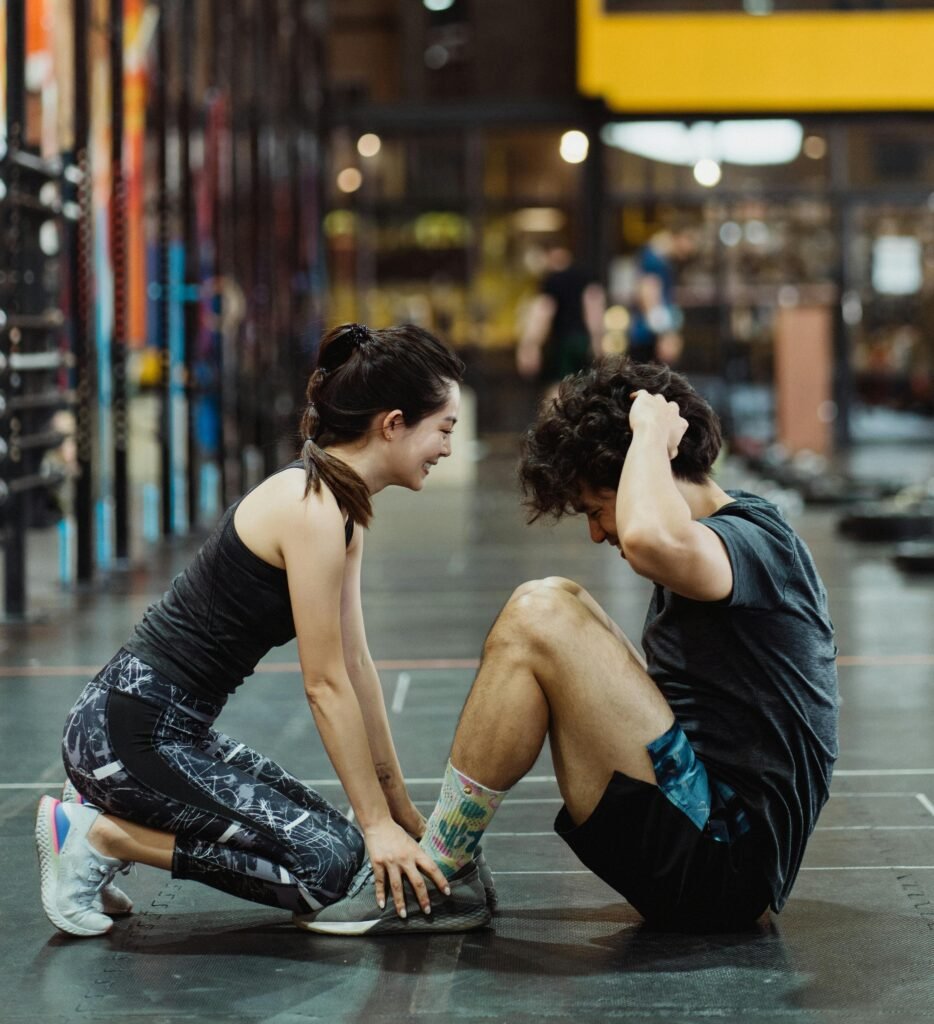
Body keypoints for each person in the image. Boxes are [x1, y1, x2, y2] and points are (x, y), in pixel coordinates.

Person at [303, 357, 838, 934]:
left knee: (543, 613)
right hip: (707, 835)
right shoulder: (735, 543)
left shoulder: (757, 541)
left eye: (596, 509)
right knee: (563, 599)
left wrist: (652, 433)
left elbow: (648, 536)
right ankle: (448, 864)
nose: (598, 532)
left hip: (724, 859)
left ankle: (438, 870)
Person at [36, 322, 493, 938]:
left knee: (344, 850)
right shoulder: (312, 509)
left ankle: (107, 818)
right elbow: (325, 685)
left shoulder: (343, 505)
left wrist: (395, 809)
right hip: (125, 735)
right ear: (392, 424)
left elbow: (357, 667)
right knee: (328, 870)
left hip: (172, 732)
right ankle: (99, 835)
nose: (445, 447)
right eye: (443, 430)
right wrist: (377, 824)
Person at [516, 243, 605, 396]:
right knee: (587, 387)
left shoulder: (551, 280)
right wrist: (597, 340)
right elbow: (594, 307)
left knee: (558, 388)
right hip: (583, 341)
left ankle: (559, 420)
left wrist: (530, 345)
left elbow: (543, 311)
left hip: (562, 343)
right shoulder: (585, 276)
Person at [627, 225, 695, 366]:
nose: (692, 248)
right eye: (690, 240)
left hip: (651, 335)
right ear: (679, 237)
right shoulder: (654, 258)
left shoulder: (660, 258)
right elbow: (647, 290)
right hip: (648, 337)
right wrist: (664, 331)